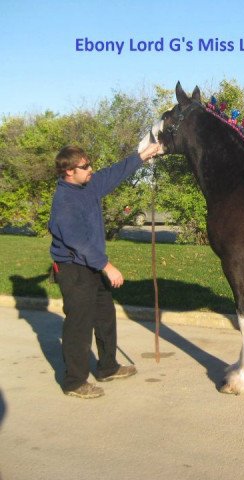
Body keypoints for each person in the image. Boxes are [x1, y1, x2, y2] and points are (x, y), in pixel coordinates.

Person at [48, 142, 162, 399]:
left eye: (89, 164)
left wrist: (142, 156)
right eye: (85, 166)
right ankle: (74, 382)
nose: (91, 169)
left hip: (92, 265)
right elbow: (78, 242)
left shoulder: (88, 185)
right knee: (79, 324)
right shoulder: (65, 201)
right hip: (73, 269)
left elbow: (114, 173)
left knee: (104, 316)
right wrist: (107, 266)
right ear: (68, 172)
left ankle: (107, 367)